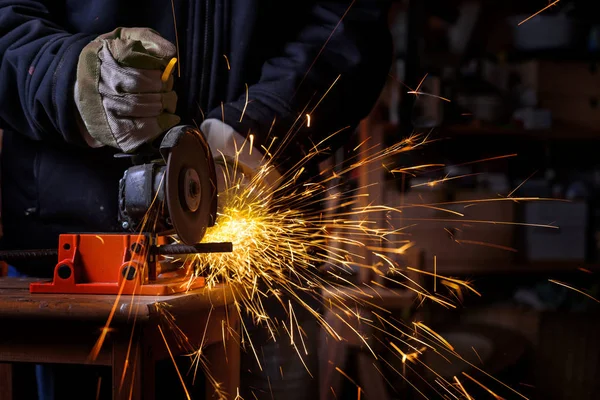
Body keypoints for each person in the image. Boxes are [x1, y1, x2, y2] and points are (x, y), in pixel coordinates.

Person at [0, 1, 393, 398]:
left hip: (262, 253)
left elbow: (350, 21)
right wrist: (67, 76)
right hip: (73, 262)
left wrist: (259, 127)